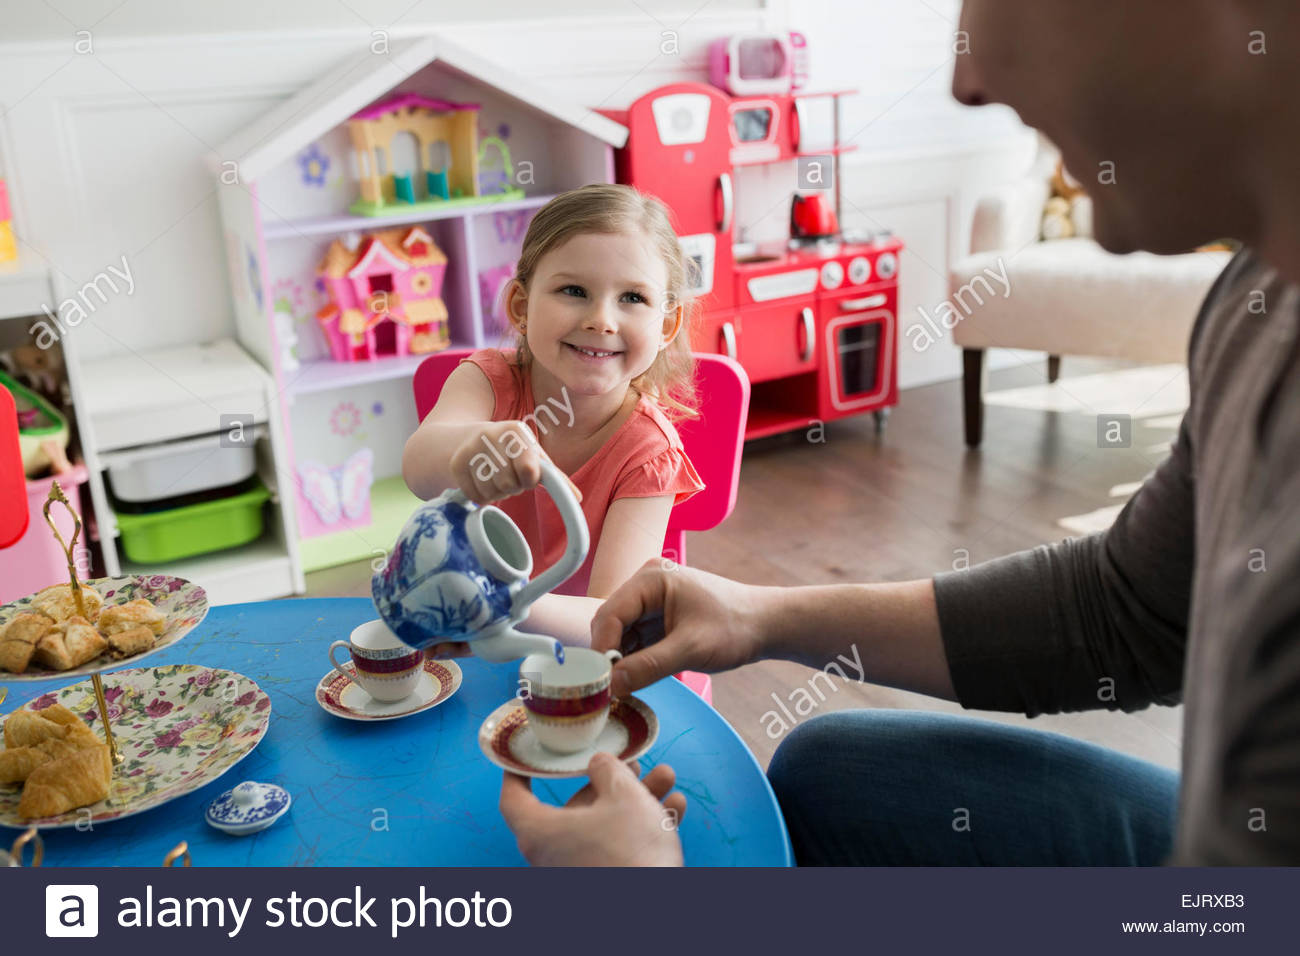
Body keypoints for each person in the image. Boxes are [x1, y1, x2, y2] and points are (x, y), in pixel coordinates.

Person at [499, 0, 1300, 866]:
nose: (965, 81)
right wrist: (762, 615)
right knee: (833, 767)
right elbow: (1128, 610)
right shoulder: (1259, 302)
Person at [402, 184, 704, 652]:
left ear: (666, 326)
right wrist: (473, 449)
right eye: (574, 291)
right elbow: (418, 468)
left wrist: (502, 605)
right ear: (522, 307)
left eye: (633, 298)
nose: (601, 319)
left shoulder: (648, 454)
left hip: (574, 666)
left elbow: (612, 620)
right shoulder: (487, 381)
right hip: (464, 649)